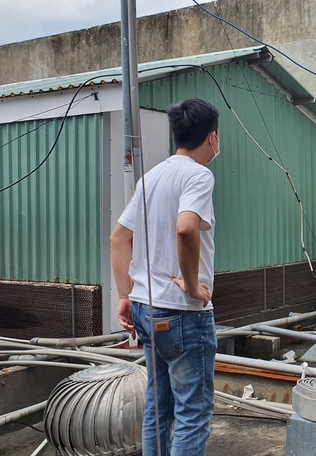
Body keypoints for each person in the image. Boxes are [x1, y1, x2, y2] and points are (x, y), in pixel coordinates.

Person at [110, 98, 220, 456]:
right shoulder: (199, 175)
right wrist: (191, 286)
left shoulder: (150, 178)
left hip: (146, 308)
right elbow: (186, 229)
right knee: (192, 413)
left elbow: (118, 238)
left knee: (158, 407)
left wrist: (125, 295)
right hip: (183, 314)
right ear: (212, 138)